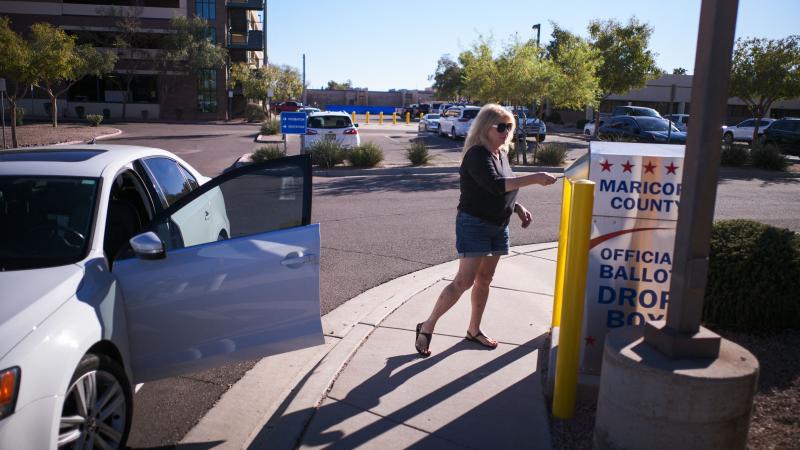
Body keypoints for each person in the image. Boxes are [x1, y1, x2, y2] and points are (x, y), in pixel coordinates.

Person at [414, 103, 557, 357]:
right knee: (463, 281)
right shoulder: (476, 155)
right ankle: (427, 325)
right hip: (474, 224)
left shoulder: (500, 153)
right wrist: (535, 177)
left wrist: (518, 208)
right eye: (501, 127)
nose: (506, 132)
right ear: (485, 128)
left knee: (485, 280)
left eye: (509, 127)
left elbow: (506, 188)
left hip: (498, 225)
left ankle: (473, 330)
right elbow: (494, 185)